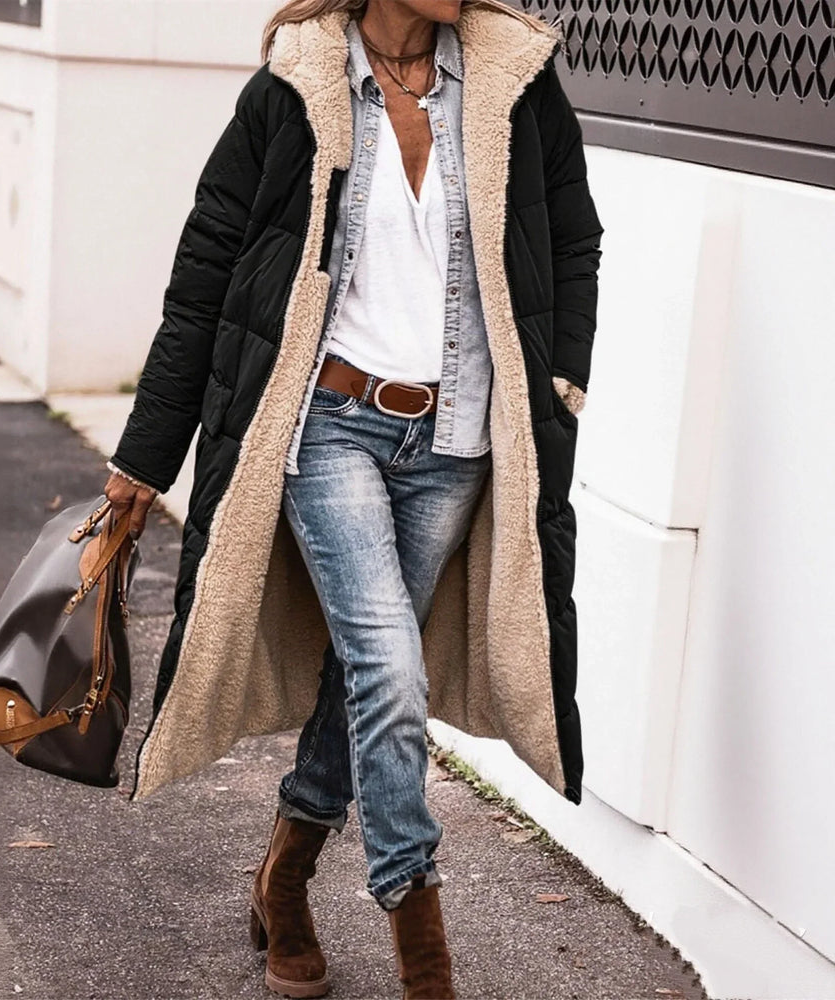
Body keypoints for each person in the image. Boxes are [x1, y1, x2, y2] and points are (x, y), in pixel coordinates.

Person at [104, 1, 603, 997]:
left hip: (454, 438)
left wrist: (559, 380)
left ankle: (285, 876)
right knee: (388, 665)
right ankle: (424, 951)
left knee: (367, 674)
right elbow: (204, 275)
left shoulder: (514, 83)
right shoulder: (296, 89)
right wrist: (143, 459)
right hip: (329, 426)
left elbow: (575, 240)